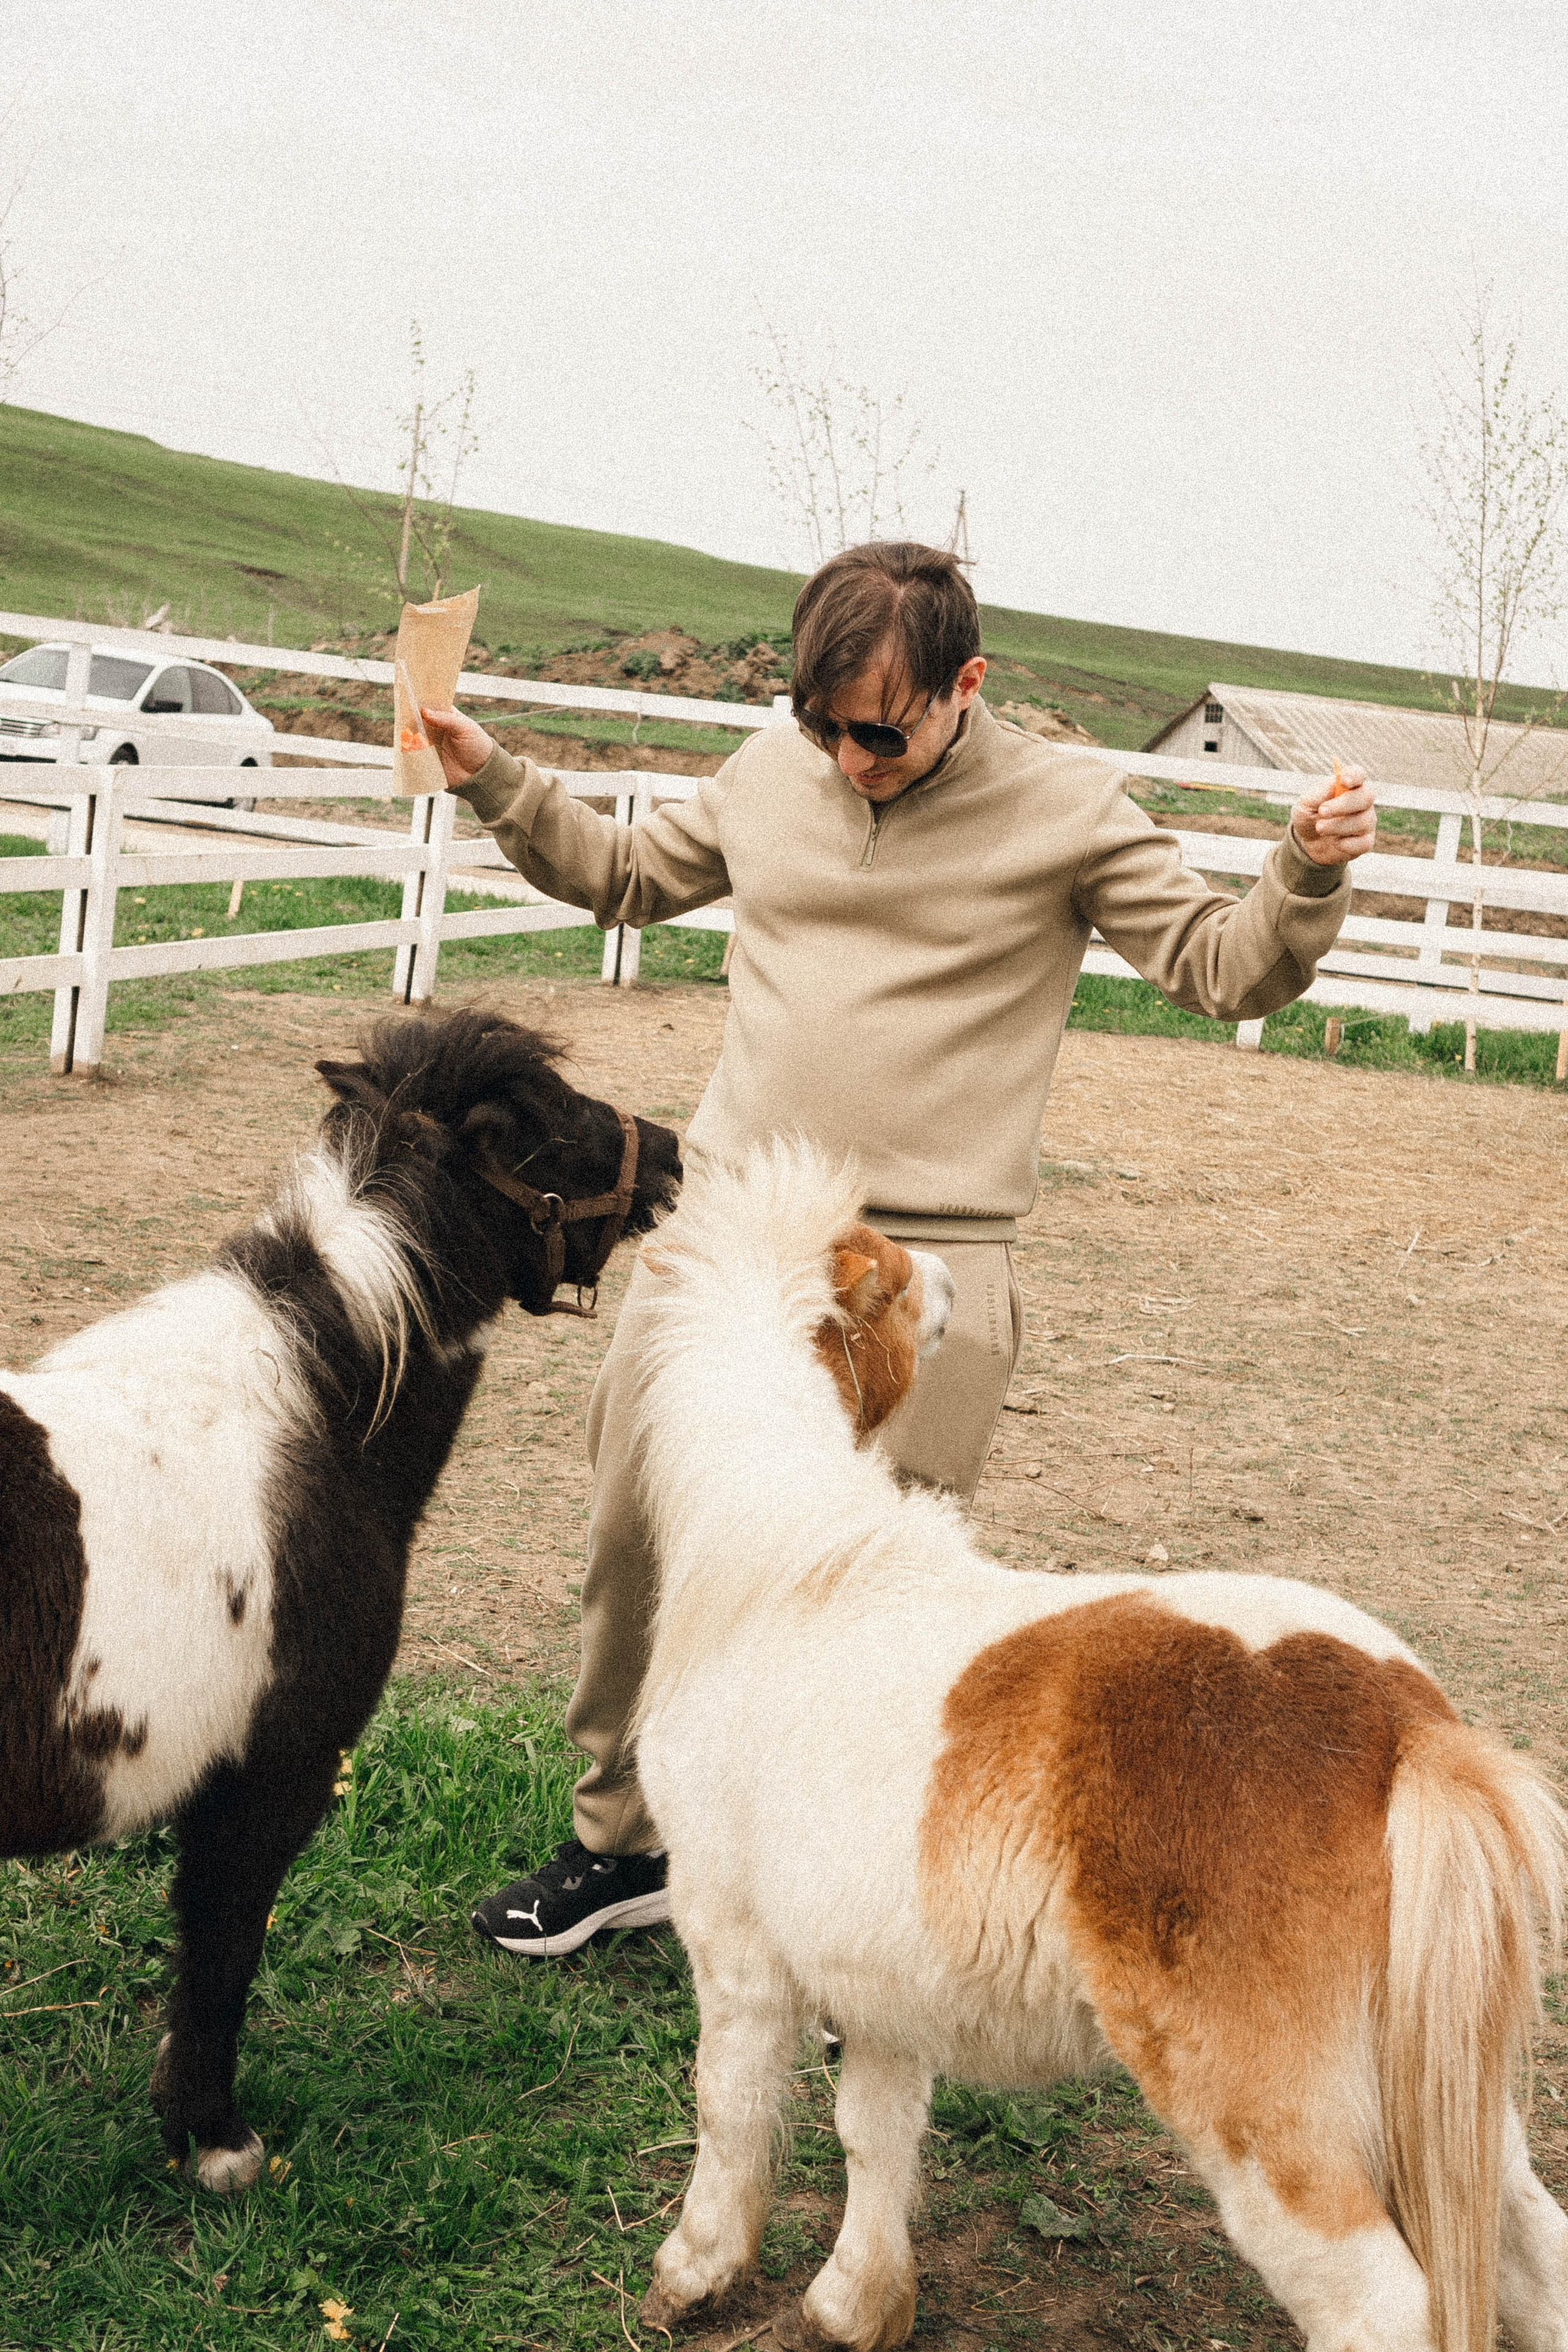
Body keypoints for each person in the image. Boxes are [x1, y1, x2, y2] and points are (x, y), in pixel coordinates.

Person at [419, 542, 1375, 1957]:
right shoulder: (768, 775)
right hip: (730, 1242)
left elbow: (1220, 968)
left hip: (927, 1270)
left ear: (964, 686)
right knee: (636, 1538)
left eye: (882, 728)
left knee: (867, 1598)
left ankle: (835, 1897)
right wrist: (493, 772)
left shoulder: (1068, 808)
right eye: (822, 724)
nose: (848, 756)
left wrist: (1298, 875)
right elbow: (622, 876)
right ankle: (620, 1844)